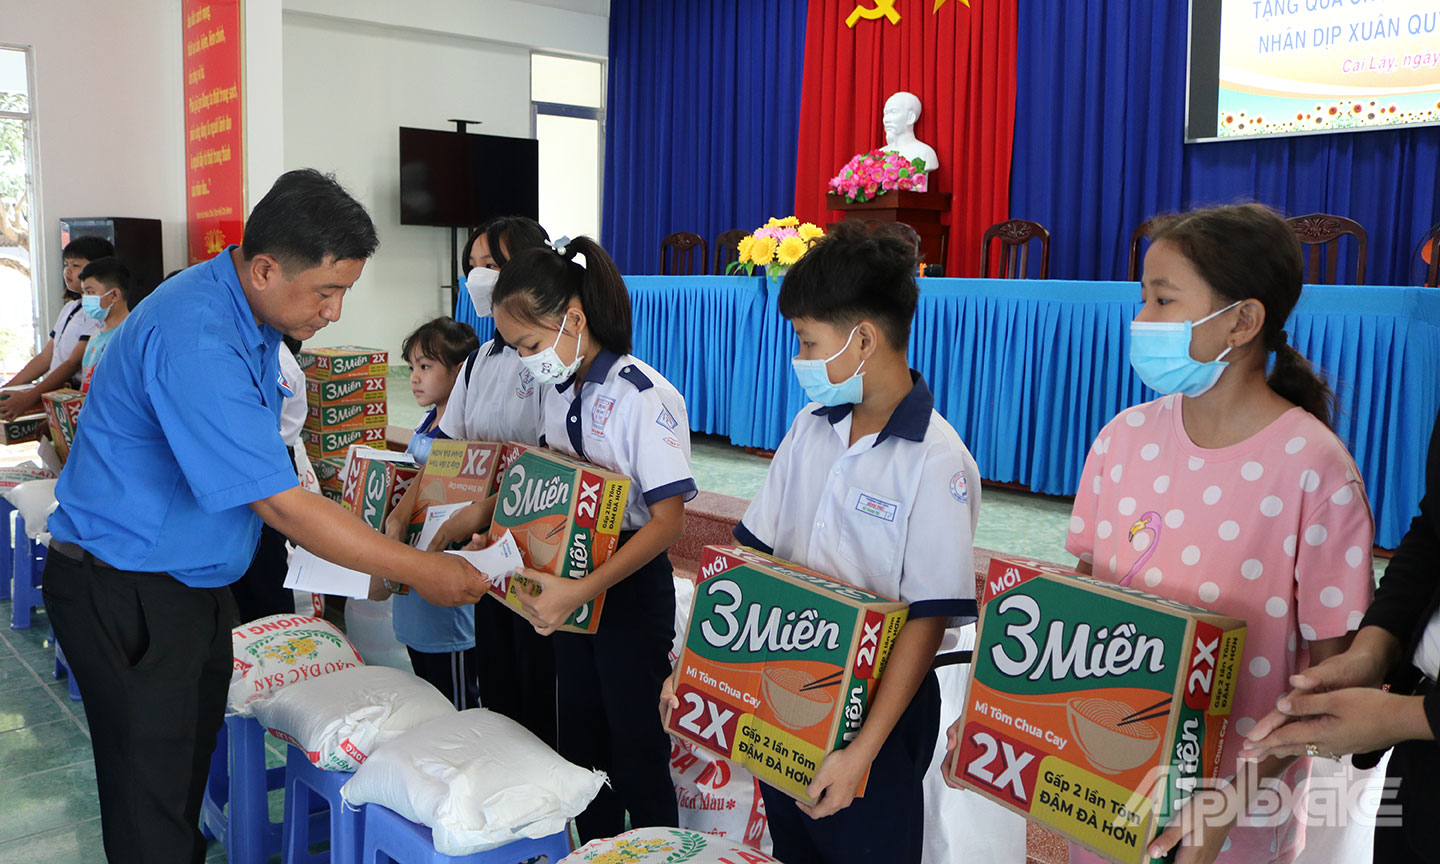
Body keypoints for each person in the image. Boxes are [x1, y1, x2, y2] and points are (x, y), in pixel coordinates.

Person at [42, 168, 490, 864]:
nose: (334, 311)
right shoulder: (197, 335)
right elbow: (278, 500)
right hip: (124, 588)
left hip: (188, 588)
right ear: (264, 268)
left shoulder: (246, 318)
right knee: (147, 803)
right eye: (327, 291)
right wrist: (419, 570)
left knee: (179, 781)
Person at [1029, 204, 1374, 864]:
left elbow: (1331, 681)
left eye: (1162, 299)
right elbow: (1084, 603)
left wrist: (1229, 802)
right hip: (1103, 791)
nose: (1141, 321)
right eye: (1142, 297)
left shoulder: (1316, 471)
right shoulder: (1121, 440)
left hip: (1229, 824)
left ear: (1242, 320)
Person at [667, 221, 979, 864]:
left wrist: (860, 753)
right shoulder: (811, 426)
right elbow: (749, 555)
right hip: (784, 686)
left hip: (878, 716)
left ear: (864, 339)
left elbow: (927, 620)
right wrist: (692, 669)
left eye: (808, 343)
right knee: (796, 842)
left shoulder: (937, 460)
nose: (801, 361)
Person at [486, 234, 694, 840]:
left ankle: (659, 848)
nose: (527, 360)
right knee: (580, 739)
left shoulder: (644, 396)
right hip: (570, 580)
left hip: (625, 588)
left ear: (572, 318)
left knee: (636, 744)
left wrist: (582, 591)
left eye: (530, 344)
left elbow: (668, 522)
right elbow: (555, 486)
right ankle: (598, 850)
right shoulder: (559, 390)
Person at [385, 215, 558, 744]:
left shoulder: (550, 362)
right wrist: (399, 512)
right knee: (499, 692)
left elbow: (555, 466)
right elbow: (449, 452)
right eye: (473, 266)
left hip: (537, 543)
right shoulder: (481, 358)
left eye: (491, 265)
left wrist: (480, 513)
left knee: (540, 693)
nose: (478, 277)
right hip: (484, 549)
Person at [1244, 408, 1440, 862]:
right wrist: (1372, 648)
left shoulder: (1318, 467)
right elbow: (1433, 529)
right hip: (1420, 770)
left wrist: (1410, 717)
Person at [372, 316, 483, 709]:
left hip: (441, 575)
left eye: (426, 367)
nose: (414, 377)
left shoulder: (466, 432)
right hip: (413, 573)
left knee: (454, 700)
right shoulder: (428, 421)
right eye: (412, 366)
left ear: (461, 371)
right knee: (426, 684)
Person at [228, 334, 307, 623]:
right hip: (251, 462)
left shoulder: (279, 361)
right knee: (245, 560)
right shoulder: (251, 351)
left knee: (267, 566)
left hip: (270, 462)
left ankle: (277, 637)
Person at [1, 236, 113, 417]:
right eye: (66, 265)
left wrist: (28, 398)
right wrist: (8, 388)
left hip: (77, 400)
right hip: (56, 396)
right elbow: (46, 357)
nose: (67, 271)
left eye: (75, 265)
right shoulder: (71, 307)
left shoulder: (96, 313)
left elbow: (72, 363)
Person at [76, 257, 150, 392]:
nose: (85, 299)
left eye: (90, 292)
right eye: (84, 293)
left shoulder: (132, 335)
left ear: (114, 295)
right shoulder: (94, 337)